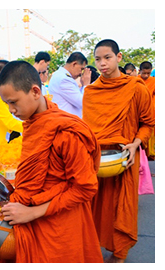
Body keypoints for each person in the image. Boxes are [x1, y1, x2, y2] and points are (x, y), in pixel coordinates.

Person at [0, 60, 103, 263]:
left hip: (60, 224)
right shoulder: (34, 123)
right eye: (6, 104)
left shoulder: (65, 131)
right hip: (30, 218)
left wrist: (32, 213)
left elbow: (86, 188)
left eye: (14, 102)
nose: (11, 110)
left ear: (36, 92)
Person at [84, 39, 154, 263]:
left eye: (107, 58)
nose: (102, 63)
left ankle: (120, 252)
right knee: (95, 206)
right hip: (97, 160)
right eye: (98, 59)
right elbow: (88, 129)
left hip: (125, 157)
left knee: (122, 207)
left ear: (119, 57)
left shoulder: (135, 88)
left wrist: (136, 143)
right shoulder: (91, 92)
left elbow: (148, 123)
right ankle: (93, 246)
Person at [48, 52, 90, 118]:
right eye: (81, 69)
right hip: (68, 123)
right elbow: (83, 103)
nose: (80, 73)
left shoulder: (59, 75)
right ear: (74, 64)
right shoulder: (64, 79)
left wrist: (82, 86)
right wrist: (86, 85)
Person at [139, 61, 155, 160]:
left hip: (151, 111)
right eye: (143, 73)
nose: (145, 75)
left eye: (148, 73)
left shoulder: (154, 81)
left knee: (151, 135)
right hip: (139, 111)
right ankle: (143, 155)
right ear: (139, 71)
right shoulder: (135, 80)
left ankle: (151, 155)